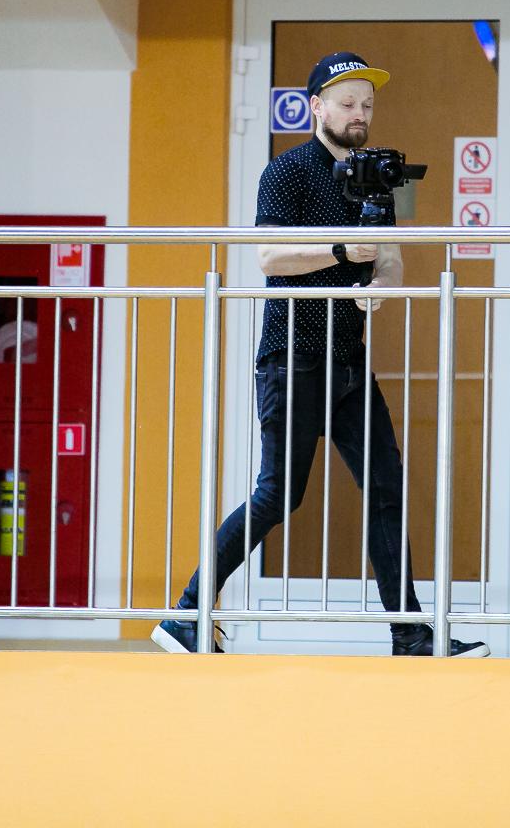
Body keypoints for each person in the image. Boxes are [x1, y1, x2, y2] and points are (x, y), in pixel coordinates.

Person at [153, 51, 489, 658]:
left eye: (368, 105)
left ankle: (410, 636)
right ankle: (186, 614)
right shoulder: (287, 171)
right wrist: (340, 251)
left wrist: (381, 286)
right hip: (292, 356)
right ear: (317, 108)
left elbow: (389, 257)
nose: (360, 114)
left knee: (386, 487)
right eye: (348, 103)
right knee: (278, 493)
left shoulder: (376, 175)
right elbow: (269, 256)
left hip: (349, 358)